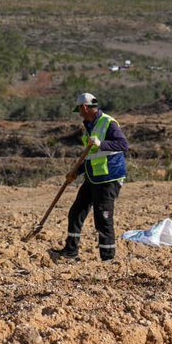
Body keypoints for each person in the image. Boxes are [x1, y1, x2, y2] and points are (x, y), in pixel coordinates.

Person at [57, 92, 129, 262]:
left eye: (80, 110)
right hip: (93, 177)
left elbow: (123, 144)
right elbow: (90, 156)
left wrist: (101, 143)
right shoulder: (89, 126)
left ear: (84, 107)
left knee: (103, 219)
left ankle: (108, 259)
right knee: (76, 212)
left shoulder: (108, 123)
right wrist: (76, 171)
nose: (80, 114)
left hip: (108, 178)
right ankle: (70, 252)